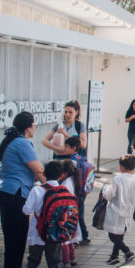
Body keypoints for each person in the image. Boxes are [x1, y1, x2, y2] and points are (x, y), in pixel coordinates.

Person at [0, 112, 46, 268]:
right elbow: (38, 169)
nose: (35, 127)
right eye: (34, 124)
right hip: (13, 194)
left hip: (7, 192)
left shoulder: (15, 140)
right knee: (15, 235)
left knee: (17, 233)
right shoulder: (22, 143)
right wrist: (53, 187)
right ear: (28, 127)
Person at [42, 101, 90, 245]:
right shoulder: (59, 125)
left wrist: (66, 135)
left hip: (74, 167)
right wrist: (57, 149)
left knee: (77, 199)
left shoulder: (79, 125)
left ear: (76, 112)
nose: (67, 114)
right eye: (66, 111)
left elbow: (83, 144)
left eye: (70, 112)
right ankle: (62, 230)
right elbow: (44, 140)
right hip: (60, 166)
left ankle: (81, 234)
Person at [21, 161, 67, 268]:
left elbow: (26, 210)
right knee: (55, 265)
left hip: (37, 232)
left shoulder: (37, 190)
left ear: (44, 174)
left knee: (32, 262)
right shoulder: (64, 190)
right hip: (55, 233)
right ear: (61, 176)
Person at [102, 154, 135, 265]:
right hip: (128, 212)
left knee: (113, 236)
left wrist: (105, 187)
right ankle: (114, 256)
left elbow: (108, 195)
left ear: (122, 167)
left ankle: (127, 251)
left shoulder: (118, 179)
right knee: (120, 234)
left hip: (115, 211)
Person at [58, 158, 81, 268]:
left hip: (65, 214)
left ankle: (65, 261)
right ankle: (72, 258)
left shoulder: (65, 184)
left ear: (65, 172)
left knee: (64, 239)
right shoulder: (73, 180)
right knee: (70, 237)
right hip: (72, 213)